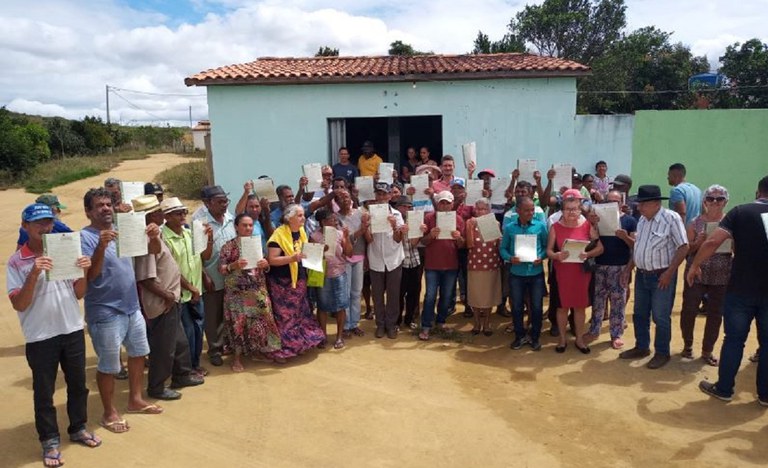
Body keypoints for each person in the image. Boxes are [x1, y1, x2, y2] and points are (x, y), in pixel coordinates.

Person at [8, 203, 101, 467]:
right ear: (25, 227)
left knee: (78, 384)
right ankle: (49, 440)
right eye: (38, 223)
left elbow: (79, 292)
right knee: (44, 391)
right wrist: (35, 273)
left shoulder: (63, 249)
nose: (44, 227)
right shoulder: (17, 261)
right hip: (40, 336)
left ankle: (78, 428)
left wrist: (83, 268)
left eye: (48, 222)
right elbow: (19, 304)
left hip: (71, 328)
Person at [80, 187, 162, 433]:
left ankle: (135, 400)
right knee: (109, 365)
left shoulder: (123, 228)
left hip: (131, 306)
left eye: (108, 204)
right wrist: (101, 247)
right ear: (88, 211)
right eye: (99, 205)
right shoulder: (84, 237)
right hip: (105, 311)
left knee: (138, 354)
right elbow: (90, 276)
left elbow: (153, 251)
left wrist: (155, 235)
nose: (105, 208)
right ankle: (109, 412)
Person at [690, 175, 768, 404]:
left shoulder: (740, 212)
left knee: (734, 339)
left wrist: (695, 265)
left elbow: (713, 242)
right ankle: (765, 394)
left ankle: (724, 389)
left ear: (757, 192)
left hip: (741, 289)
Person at [133, 195, 204, 399]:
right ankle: (156, 386)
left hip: (172, 299)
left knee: (179, 342)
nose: (161, 215)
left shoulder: (155, 236)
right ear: (148, 216)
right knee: (163, 347)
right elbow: (145, 278)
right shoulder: (145, 240)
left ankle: (181, 375)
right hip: (163, 301)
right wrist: (168, 296)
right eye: (157, 212)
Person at [619, 185, 688, 369]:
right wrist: (628, 269)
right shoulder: (642, 220)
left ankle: (662, 352)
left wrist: (669, 273)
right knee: (640, 314)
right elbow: (639, 247)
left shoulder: (671, 218)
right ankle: (642, 346)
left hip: (662, 277)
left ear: (656, 203)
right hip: (642, 275)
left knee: (661, 316)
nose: (639, 208)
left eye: (643, 204)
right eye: (639, 204)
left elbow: (683, 247)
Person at [219, 214, 282, 371]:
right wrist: (233, 265)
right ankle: (237, 358)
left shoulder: (257, 244)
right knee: (238, 323)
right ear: (236, 227)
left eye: (250, 225)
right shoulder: (228, 247)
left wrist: (265, 264)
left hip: (257, 290)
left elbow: (266, 266)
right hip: (237, 293)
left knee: (263, 319)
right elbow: (221, 269)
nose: (248, 228)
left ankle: (260, 351)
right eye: (244, 225)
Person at [679, 185, 732, 366]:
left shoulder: (731, 222)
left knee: (716, 313)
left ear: (726, 201)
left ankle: (707, 350)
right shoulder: (695, 223)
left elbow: (736, 249)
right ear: (705, 201)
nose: (715, 202)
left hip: (722, 272)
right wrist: (698, 242)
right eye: (710, 198)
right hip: (697, 270)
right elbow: (688, 249)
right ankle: (687, 345)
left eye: (719, 199)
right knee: (689, 309)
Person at [266, 204, 326, 359]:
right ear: (289, 217)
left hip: (299, 280)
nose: (303, 218)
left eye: (303, 215)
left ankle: (299, 345)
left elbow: (305, 252)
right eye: (299, 216)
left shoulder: (300, 232)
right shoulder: (278, 235)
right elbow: (271, 260)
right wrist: (292, 258)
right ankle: (283, 351)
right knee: (285, 317)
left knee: (300, 314)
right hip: (282, 283)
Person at [160, 197, 211, 377]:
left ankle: (195, 364)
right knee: (186, 333)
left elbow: (204, 256)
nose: (182, 216)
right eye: (177, 213)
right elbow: (171, 269)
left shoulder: (189, 233)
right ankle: (185, 369)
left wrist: (208, 239)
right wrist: (190, 287)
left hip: (196, 291)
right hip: (180, 293)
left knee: (198, 330)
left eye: (183, 212)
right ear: (166, 216)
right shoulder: (163, 238)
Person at [547, 190, 603, 354]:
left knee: (579, 307)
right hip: (562, 273)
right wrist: (556, 255)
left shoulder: (587, 226)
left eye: (574, 208)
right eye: (567, 209)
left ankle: (579, 338)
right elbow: (548, 251)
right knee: (562, 308)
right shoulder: (555, 227)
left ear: (580, 210)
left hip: (581, 273)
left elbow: (600, 248)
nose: (571, 212)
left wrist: (588, 254)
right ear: (562, 210)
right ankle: (562, 339)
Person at [584, 190, 637, 350]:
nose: (613, 204)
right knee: (598, 300)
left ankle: (616, 334)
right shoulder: (597, 219)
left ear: (621, 203)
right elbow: (588, 239)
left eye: (616, 201)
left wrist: (624, 237)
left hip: (620, 266)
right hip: (600, 265)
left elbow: (635, 245)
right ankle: (594, 330)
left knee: (618, 302)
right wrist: (592, 223)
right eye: (609, 201)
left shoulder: (629, 221)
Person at [192, 185, 236, 367]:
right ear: (207, 203)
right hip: (212, 277)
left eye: (225, 201)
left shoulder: (230, 218)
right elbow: (196, 255)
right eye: (219, 202)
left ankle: (228, 344)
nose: (224, 205)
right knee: (213, 316)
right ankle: (215, 350)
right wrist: (204, 276)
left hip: (232, 277)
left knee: (229, 313)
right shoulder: (200, 223)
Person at [501, 196, 549, 349]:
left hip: (535, 273)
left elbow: (547, 247)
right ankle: (519, 336)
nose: (530, 213)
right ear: (518, 211)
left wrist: (541, 257)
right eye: (527, 210)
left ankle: (535, 337)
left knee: (536, 307)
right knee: (516, 307)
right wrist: (509, 258)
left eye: (532, 210)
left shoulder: (540, 226)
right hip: (516, 273)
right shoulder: (510, 228)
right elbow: (503, 248)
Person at [419, 190, 466, 340]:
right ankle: (426, 325)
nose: (445, 206)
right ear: (437, 204)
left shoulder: (458, 220)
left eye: (448, 203)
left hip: (451, 265)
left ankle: (441, 321)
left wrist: (458, 238)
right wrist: (430, 235)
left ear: (453, 204)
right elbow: (423, 241)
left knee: (446, 296)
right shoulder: (428, 218)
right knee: (430, 296)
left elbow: (462, 245)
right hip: (432, 264)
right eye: (442, 203)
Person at [364, 182, 406, 339]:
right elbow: (369, 240)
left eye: (384, 194)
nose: (381, 197)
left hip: (394, 260)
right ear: (375, 195)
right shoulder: (369, 214)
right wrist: (365, 226)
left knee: (394, 294)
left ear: (390, 196)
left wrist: (395, 226)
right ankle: (380, 324)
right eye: (378, 194)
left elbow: (398, 239)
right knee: (377, 295)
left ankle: (391, 325)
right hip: (376, 260)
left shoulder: (396, 215)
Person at [310, 208, 353, 349]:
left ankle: (339, 337)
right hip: (322, 275)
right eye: (332, 219)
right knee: (322, 306)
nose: (335, 221)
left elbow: (349, 254)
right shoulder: (314, 236)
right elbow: (310, 258)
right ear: (323, 222)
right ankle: (323, 336)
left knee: (341, 306)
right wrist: (320, 250)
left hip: (339, 273)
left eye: (335, 219)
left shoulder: (340, 234)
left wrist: (346, 238)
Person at [466, 198, 503, 336]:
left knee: (489, 296)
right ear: (475, 209)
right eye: (479, 209)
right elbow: (469, 244)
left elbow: (498, 247)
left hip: (491, 264)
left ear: (489, 210)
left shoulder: (495, 223)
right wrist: (470, 227)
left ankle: (486, 323)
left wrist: (501, 240)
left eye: (484, 209)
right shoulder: (470, 222)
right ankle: (476, 323)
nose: (481, 211)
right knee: (475, 296)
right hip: (475, 264)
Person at [335, 188, 366, 337]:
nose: (345, 199)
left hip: (359, 256)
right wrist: (360, 231)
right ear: (336, 202)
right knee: (345, 294)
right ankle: (346, 325)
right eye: (341, 198)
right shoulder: (336, 218)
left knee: (356, 292)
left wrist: (364, 229)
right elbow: (343, 239)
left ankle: (355, 323)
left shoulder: (360, 213)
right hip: (344, 259)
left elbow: (366, 236)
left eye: (346, 196)